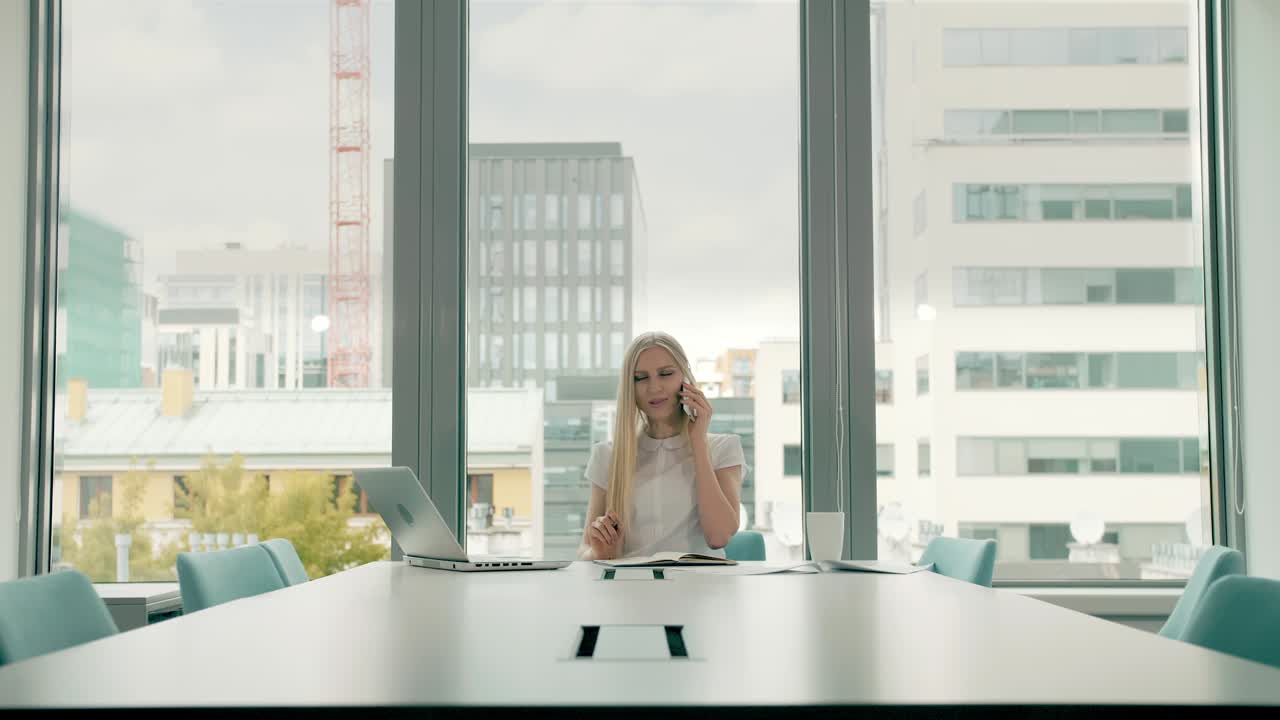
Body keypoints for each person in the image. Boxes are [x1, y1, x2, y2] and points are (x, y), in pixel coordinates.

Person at [579, 331, 746, 560]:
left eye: (665, 374)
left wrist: (698, 441)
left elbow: (718, 537)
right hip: (630, 586)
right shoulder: (607, 455)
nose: (654, 387)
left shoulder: (723, 448)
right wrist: (600, 551)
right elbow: (585, 550)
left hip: (701, 586)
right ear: (631, 387)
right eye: (640, 378)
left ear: (684, 377)